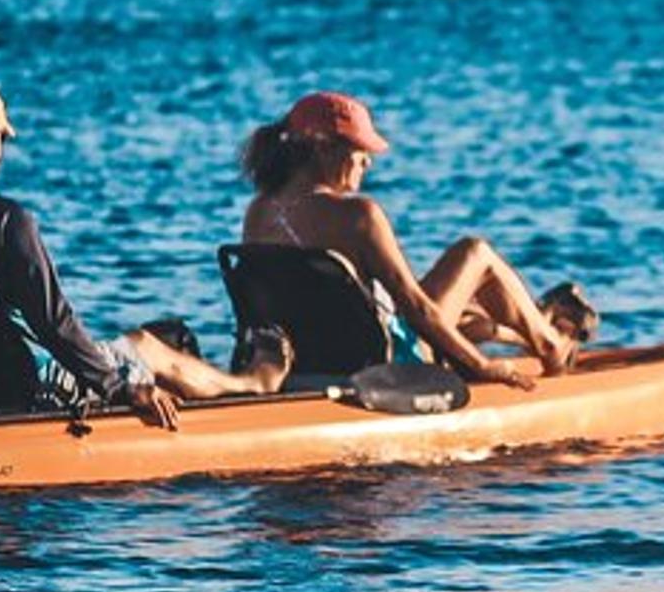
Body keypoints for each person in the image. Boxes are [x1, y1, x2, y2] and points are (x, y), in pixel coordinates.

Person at [0, 80, 292, 428]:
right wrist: (123, 390)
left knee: (147, 343)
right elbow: (55, 324)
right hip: (18, 390)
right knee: (146, 348)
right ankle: (254, 385)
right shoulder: (3, 218)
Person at [238, 92, 594, 388]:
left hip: (303, 365)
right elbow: (418, 309)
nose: (368, 163)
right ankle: (550, 344)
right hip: (386, 365)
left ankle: (534, 330)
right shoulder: (358, 216)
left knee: (467, 309)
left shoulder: (258, 211)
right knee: (476, 254)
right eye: (361, 150)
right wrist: (485, 368)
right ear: (323, 149)